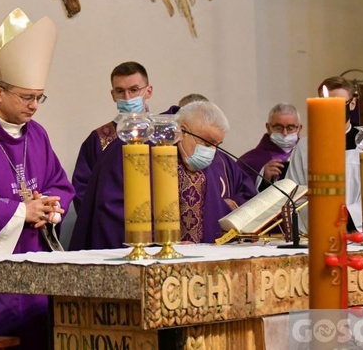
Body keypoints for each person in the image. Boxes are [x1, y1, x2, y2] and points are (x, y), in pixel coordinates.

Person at [0, 8, 74, 349]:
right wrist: (22, 211)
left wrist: (50, 207)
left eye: (39, 96)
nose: (35, 105)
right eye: (26, 96)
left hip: (34, 264)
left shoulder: (37, 135)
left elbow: (60, 185)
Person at [69, 101, 256, 249]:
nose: (212, 151)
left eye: (218, 144)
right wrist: (159, 243)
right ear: (183, 130)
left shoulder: (217, 160)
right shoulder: (136, 146)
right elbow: (112, 209)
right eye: (207, 143)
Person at [70, 61, 153, 211]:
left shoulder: (161, 135)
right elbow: (82, 190)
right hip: (110, 226)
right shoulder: (98, 139)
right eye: (120, 91)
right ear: (113, 95)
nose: (127, 98)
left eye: (134, 90)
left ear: (148, 91)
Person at [286, 76, 362, 232]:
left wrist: (350, 214)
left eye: (338, 104)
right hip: (318, 231)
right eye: (326, 103)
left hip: (359, 233)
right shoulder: (305, 146)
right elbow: (293, 193)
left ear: (352, 104)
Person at [238, 103, 303, 191]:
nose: (285, 133)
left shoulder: (310, 156)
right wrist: (262, 179)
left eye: (290, 128)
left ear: (299, 128)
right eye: (278, 127)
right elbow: (239, 193)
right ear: (268, 128)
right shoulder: (249, 161)